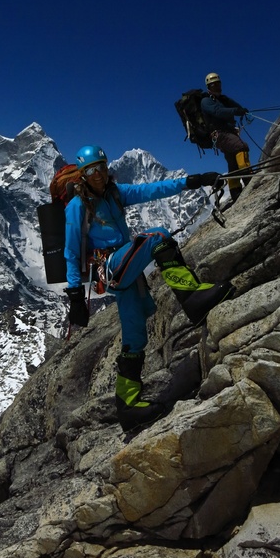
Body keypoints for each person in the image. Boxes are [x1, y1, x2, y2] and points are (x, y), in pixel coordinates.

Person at [64, 144, 234, 432]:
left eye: (101, 167)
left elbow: (152, 190)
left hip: (124, 267)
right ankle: (192, 297)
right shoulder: (77, 206)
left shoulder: (115, 193)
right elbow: (70, 252)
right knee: (157, 237)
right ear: (83, 175)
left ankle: (128, 407)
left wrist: (192, 181)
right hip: (111, 266)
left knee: (135, 335)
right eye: (91, 171)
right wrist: (75, 296)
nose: (98, 174)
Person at [201, 72, 253, 202]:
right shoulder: (206, 101)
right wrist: (236, 111)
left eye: (218, 84)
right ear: (209, 87)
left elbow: (236, 107)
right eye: (214, 85)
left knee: (232, 161)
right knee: (241, 147)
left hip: (227, 133)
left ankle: (235, 190)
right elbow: (217, 112)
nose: (217, 87)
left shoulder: (223, 99)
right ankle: (248, 177)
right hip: (220, 134)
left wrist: (241, 110)